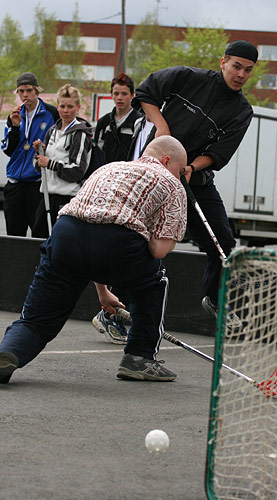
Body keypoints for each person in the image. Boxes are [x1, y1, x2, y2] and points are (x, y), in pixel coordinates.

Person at [0, 135, 187, 385]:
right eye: (181, 169)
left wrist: (103, 292)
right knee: (155, 280)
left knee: (38, 317)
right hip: (117, 243)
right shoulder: (171, 183)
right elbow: (159, 250)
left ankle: (9, 351)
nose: (182, 175)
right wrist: (147, 233)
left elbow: (91, 225)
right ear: (166, 160)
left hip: (67, 234)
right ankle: (139, 357)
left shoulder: (109, 167)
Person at [131, 40, 258, 323]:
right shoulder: (189, 77)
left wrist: (190, 166)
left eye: (248, 70)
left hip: (194, 181)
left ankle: (215, 299)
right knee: (136, 238)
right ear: (223, 62)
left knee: (223, 242)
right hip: (155, 172)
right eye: (236, 66)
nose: (241, 74)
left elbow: (219, 153)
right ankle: (117, 310)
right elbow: (145, 93)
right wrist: (162, 128)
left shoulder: (242, 111)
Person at [92, 73, 142, 345]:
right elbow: (96, 155)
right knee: (108, 250)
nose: (120, 98)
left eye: (124, 93)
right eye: (116, 93)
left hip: (129, 192)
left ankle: (114, 313)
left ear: (132, 95)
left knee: (125, 252)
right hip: (105, 190)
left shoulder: (139, 122)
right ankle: (109, 312)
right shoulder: (103, 123)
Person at [1, 72, 59, 237]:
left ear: (37, 91)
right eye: (21, 91)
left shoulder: (51, 113)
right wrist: (14, 127)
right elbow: (8, 149)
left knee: (39, 233)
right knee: (14, 234)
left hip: (37, 183)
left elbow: (58, 144)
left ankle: (37, 263)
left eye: (29, 90)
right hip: (15, 182)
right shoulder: (15, 115)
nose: (25, 95)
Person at [32, 83, 93, 238]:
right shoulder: (52, 131)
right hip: (46, 195)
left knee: (61, 241)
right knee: (37, 236)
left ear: (78, 107)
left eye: (70, 106)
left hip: (66, 198)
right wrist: (38, 154)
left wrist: (50, 163)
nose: (66, 111)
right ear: (57, 106)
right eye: (62, 106)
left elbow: (78, 170)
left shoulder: (80, 134)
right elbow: (39, 167)